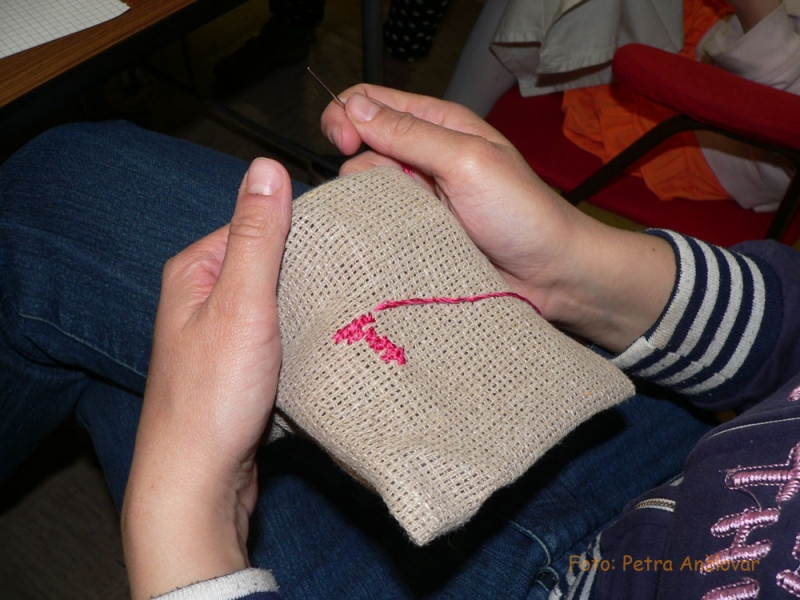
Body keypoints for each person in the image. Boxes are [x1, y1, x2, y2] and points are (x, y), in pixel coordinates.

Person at [0, 85, 795, 599]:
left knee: (114, 355)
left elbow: (183, 494)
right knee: (62, 182)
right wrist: (579, 268)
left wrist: (187, 512)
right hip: (665, 445)